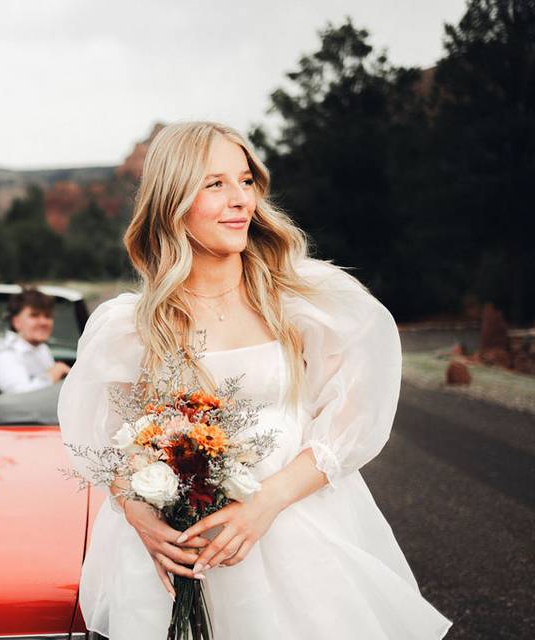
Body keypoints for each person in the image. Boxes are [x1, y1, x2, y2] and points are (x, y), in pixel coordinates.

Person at [57, 122, 452, 639]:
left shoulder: (305, 300)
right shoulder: (130, 326)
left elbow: (356, 415)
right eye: (215, 184)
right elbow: (111, 444)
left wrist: (263, 505)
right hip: (180, 557)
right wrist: (138, 516)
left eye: (245, 181)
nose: (240, 199)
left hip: (296, 536)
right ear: (172, 200)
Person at [0, 288, 71, 393]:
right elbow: (18, 396)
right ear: (16, 322)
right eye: (34, 315)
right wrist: (52, 375)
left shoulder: (42, 348)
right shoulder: (3, 352)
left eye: (48, 316)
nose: (43, 322)